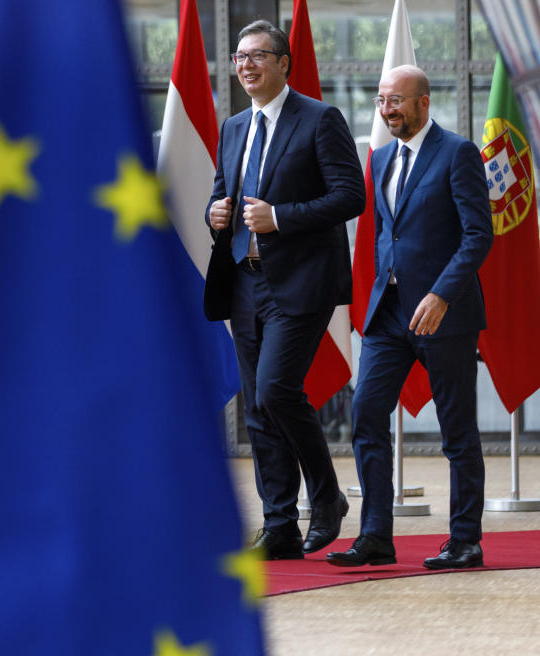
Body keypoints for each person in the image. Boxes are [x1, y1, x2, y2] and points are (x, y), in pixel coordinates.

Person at [203, 20, 365, 560]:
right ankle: (280, 527)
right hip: (244, 281)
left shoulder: (320, 119)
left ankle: (327, 497)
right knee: (257, 409)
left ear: (284, 63)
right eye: (239, 57)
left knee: (276, 390)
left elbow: (350, 197)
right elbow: (224, 196)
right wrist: (215, 212)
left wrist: (282, 217)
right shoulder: (231, 128)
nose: (246, 65)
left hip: (300, 282)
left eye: (258, 55)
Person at [326, 65, 493, 569]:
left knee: (457, 431)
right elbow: (386, 235)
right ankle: (376, 536)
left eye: (396, 100)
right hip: (389, 315)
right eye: (381, 101)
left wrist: (441, 294)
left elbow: (477, 235)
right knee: (367, 414)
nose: (387, 109)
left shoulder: (457, 153)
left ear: (423, 103)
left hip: (445, 315)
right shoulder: (377, 159)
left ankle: (465, 541)